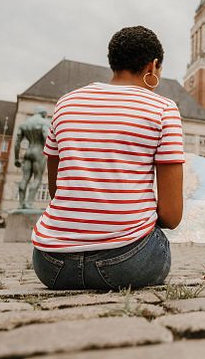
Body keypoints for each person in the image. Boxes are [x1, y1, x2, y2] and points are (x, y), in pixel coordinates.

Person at [31, 26, 185, 290]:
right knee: (158, 240)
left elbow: (57, 190)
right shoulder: (163, 109)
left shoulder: (66, 103)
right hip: (126, 264)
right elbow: (171, 216)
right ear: (153, 66)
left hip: (51, 265)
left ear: (112, 61)